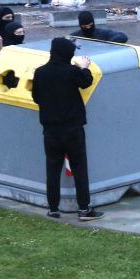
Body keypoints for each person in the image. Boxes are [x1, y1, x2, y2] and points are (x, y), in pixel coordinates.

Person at [31, 38, 103, 221]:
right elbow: (87, 81)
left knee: (52, 169)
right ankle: (84, 209)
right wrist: (83, 66)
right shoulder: (71, 71)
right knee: (79, 167)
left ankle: (54, 208)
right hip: (72, 128)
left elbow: (36, 97)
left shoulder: (40, 73)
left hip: (50, 130)